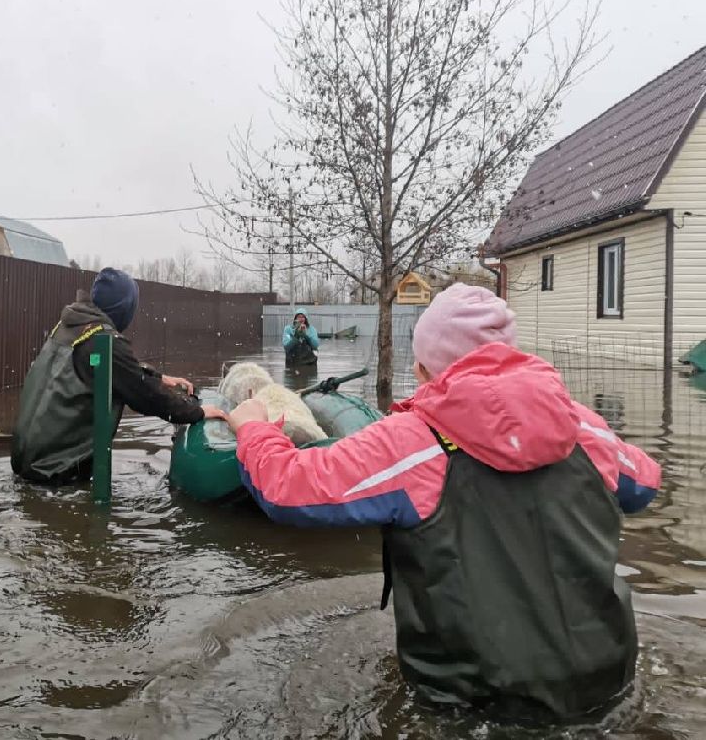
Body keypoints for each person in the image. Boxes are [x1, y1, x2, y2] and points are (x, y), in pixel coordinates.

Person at [226, 283, 661, 720]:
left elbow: (286, 488)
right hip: (609, 680)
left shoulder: (408, 443)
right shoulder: (585, 428)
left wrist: (253, 429)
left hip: (475, 702)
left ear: (423, 369)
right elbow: (644, 485)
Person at [11, 267, 225, 485]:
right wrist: (196, 412)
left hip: (28, 459)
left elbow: (112, 368)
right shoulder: (105, 341)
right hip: (58, 471)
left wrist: (158, 377)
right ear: (125, 308)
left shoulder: (72, 325)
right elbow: (148, 396)